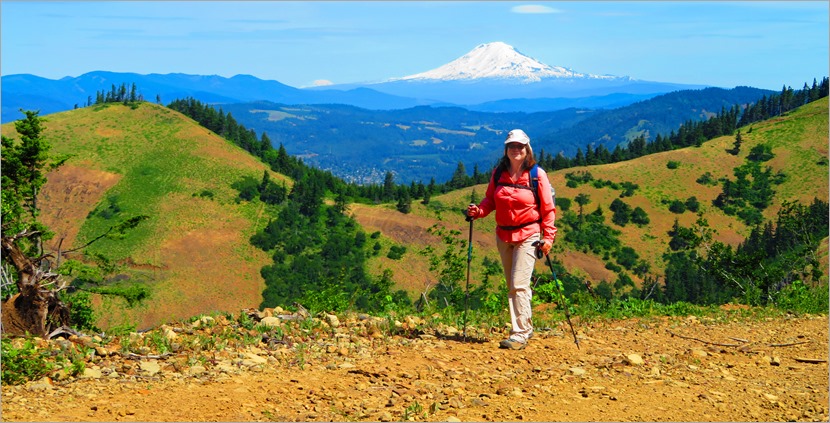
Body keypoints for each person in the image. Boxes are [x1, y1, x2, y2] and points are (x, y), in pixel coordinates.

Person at [466, 129, 557, 350]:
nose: (516, 149)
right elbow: (490, 200)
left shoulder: (537, 174)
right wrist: (478, 211)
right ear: (506, 149)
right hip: (503, 235)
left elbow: (548, 208)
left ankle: (520, 333)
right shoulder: (499, 173)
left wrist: (548, 237)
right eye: (512, 146)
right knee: (512, 285)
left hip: (529, 235)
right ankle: (525, 325)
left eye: (520, 146)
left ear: (527, 149)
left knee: (518, 283)